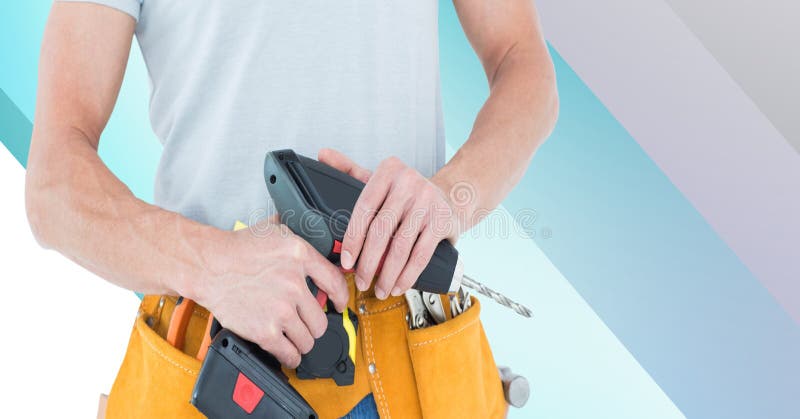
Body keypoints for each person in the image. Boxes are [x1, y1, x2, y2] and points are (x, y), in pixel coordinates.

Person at [25, 0, 557, 417]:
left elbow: (523, 63)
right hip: (222, 359)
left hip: (407, 353)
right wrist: (213, 264)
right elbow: (54, 186)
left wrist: (450, 197)